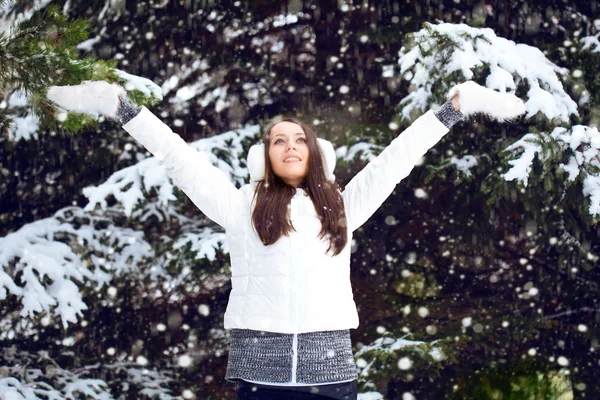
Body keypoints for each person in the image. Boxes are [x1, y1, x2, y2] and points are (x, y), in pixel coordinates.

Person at [47, 79, 526, 399]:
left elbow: (394, 161)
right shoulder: (240, 206)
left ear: (314, 153)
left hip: (331, 373)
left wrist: (454, 109)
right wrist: (121, 107)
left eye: (299, 139)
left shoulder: (341, 205)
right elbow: (179, 158)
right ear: (267, 155)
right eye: (279, 140)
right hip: (260, 374)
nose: (291, 145)